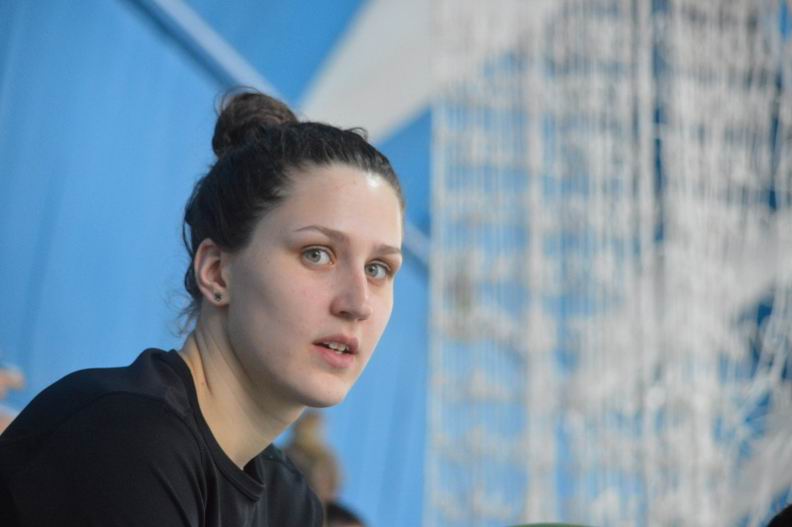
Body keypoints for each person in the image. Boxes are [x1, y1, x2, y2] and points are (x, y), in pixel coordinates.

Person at [0, 90, 405, 526]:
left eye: (378, 268)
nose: (358, 303)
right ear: (216, 273)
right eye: (317, 254)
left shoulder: (290, 503)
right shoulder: (123, 435)